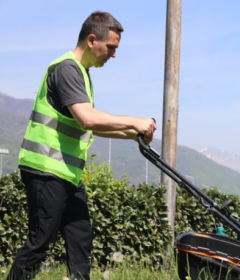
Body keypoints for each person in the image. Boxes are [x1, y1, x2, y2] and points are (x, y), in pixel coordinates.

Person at [8, 11, 156, 280]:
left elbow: (90, 127)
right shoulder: (66, 69)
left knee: (81, 238)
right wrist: (134, 121)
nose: (113, 54)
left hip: (67, 174)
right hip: (45, 169)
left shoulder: (83, 74)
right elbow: (87, 119)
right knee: (41, 242)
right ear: (91, 40)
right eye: (111, 47)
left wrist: (133, 135)